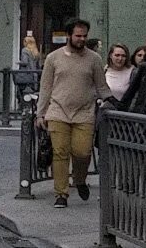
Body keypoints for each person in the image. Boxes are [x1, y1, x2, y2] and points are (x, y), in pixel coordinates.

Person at [37, 18, 113, 209]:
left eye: (84, 36)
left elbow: (101, 86)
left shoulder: (93, 59)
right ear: (69, 35)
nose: (81, 39)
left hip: (84, 113)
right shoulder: (53, 58)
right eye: (78, 36)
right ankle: (61, 194)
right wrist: (40, 113)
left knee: (82, 151)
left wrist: (113, 102)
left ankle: (80, 179)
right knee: (60, 153)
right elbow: (45, 87)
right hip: (57, 112)